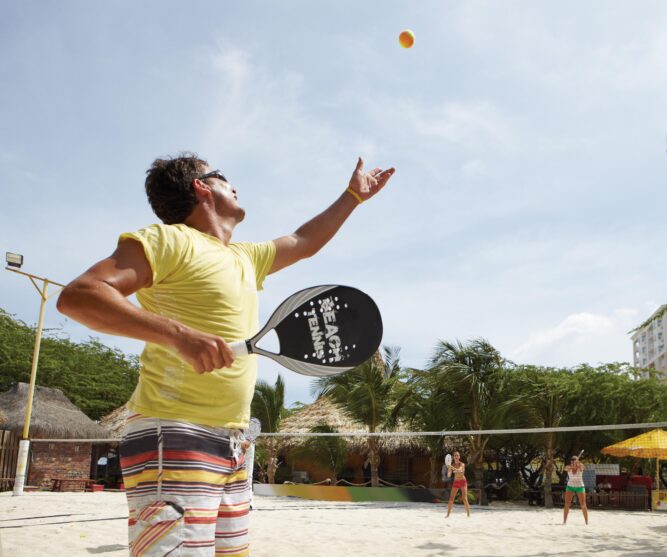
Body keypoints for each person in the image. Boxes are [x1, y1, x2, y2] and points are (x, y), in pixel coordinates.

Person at [57, 153, 394, 557]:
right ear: (202, 186)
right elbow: (80, 296)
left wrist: (352, 196)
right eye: (222, 177)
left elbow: (305, 242)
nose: (234, 185)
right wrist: (179, 335)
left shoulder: (245, 257)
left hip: (235, 442)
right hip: (176, 432)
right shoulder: (170, 240)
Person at [563, 455, 588, 525]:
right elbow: (565, 469)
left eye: (575, 460)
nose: (573, 461)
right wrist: (572, 466)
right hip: (570, 486)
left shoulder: (580, 466)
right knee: (567, 504)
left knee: (583, 504)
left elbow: (583, 467)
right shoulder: (568, 467)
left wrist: (578, 464)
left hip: (580, 486)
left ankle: (586, 522)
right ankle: (564, 521)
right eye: (572, 460)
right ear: (571, 461)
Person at [445, 451, 471, 518]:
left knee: (464, 498)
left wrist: (451, 467)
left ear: (459, 457)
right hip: (456, 482)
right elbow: (448, 476)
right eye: (455, 455)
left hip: (463, 481)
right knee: (451, 498)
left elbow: (459, 470)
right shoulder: (452, 465)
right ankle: (448, 514)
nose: (456, 456)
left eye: (457, 455)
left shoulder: (462, 464)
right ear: (453, 457)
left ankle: (468, 514)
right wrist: (449, 470)